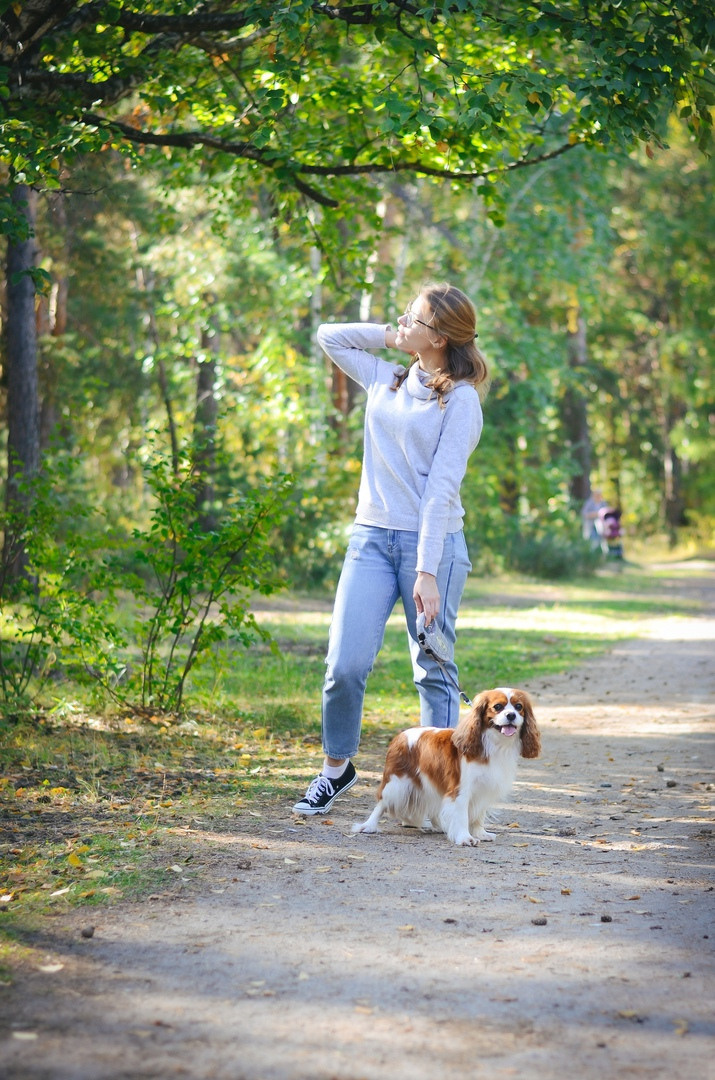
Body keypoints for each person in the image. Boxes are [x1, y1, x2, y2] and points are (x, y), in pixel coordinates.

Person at [293, 282, 489, 815]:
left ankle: (443, 789)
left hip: (435, 548)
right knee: (344, 664)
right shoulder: (389, 375)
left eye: (415, 319)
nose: (402, 322)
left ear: (442, 337)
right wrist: (393, 334)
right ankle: (337, 769)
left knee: (432, 666)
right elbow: (328, 336)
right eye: (403, 315)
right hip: (371, 538)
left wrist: (425, 570)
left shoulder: (461, 401)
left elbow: (440, 492)